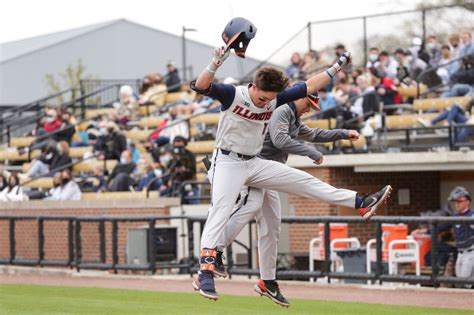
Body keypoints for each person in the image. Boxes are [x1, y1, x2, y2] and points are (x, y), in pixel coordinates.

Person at [190, 18, 392, 301]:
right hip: (226, 161)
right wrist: (215, 64)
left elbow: (309, 84)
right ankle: (205, 273)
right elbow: (200, 87)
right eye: (263, 97)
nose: (266, 102)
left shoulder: (275, 99)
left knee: (304, 181)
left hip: (254, 162)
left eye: (272, 98)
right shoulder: (233, 94)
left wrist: (337, 67)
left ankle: (360, 202)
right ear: (255, 86)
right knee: (222, 209)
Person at [208, 93, 362, 307]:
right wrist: (311, 153)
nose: (309, 108)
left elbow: (314, 133)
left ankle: (267, 281)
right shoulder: (281, 110)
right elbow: (280, 138)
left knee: (272, 227)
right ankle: (213, 251)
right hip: (248, 169)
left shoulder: (294, 118)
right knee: (249, 206)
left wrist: (342, 133)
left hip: (265, 174)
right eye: (308, 103)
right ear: (299, 98)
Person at [412, 187, 473, 288]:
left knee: (465, 283)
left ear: (467, 201)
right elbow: (441, 227)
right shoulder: (455, 217)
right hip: (461, 253)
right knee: (459, 280)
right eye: (455, 202)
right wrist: (424, 231)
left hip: (471, 252)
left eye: (460, 201)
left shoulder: (472, 215)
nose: (457, 204)